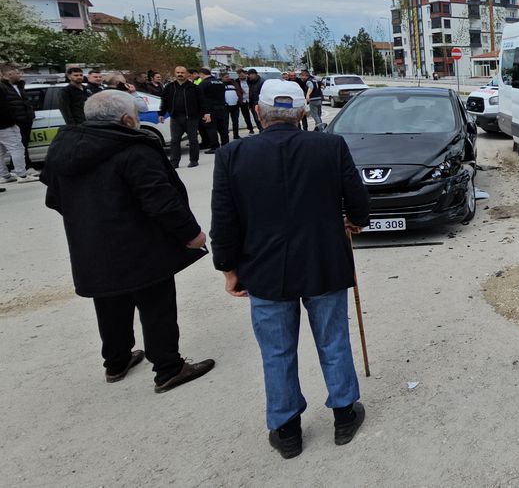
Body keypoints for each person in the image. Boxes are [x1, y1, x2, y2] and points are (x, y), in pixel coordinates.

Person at [210, 79, 370, 459]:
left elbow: (224, 219)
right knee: (333, 340)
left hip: (264, 269)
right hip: (323, 262)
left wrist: (228, 268)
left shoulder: (232, 154)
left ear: (259, 112)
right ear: (302, 112)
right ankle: (344, 415)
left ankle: (286, 431)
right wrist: (357, 220)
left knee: (276, 351)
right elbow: (357, 198)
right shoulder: (330, 145)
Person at [40, 90, 215, 391]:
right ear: (127, 119)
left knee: (109, 301)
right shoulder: (133, 148)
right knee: (156, 305)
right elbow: (161, 200)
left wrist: (88, 222)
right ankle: (169, 368)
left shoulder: (64, 149)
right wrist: (191, 233)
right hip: (140, 244)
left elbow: (54, 199)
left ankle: (116, 361)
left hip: (91, 244)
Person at [158, 66, 203, 168]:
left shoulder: (194, 87)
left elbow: (202, 102)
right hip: (175, 118)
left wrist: (206, 113)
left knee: (193, 140)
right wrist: (161, 114)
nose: (180, 74)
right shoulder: (169, 87)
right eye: (178, 72)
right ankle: (174, 162)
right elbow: (164, 101)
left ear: (187, 74)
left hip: (191, 117)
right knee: (175, 140)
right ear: (175, 73)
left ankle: (194, 160)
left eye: (182, 72)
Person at [0, 64, 37, 184]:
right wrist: (12, 121)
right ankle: (22, 174)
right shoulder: (2, 87)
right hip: (5, 124)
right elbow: (6, 107)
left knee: (0, 151)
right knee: (17, 148)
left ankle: (4, 175)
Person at [198, 68, 227, 153]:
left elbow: (202, 98)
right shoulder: (220, 82)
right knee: (222, 128)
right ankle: (225, 145)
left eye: (200, 76)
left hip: (210, 109)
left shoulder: (203, 84)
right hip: (222, 107)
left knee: (211, 128)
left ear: (202, 74)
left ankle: (215, 146)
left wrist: (205, 111)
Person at [222, 72, 244, 139]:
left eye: (228, 76)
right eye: (226, 77)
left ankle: (236, 135)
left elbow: (239, 91)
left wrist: (239, 101)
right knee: (225, 122)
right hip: (225, 106)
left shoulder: (234, 83)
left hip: (235, 105)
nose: (228, 78)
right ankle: (225, 136)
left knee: (235, 121)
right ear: (222, 78)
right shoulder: (220, 84)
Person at [235, 69, 255, 134]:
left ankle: (260, 127)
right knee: (246, 116)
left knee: (255, 114)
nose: (241, 77)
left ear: (245, 74)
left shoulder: (250, 80)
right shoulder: (236, 81)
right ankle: (250, 129)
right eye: (239, 76)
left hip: (251, 100)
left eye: (242, 75)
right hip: (243, 101)